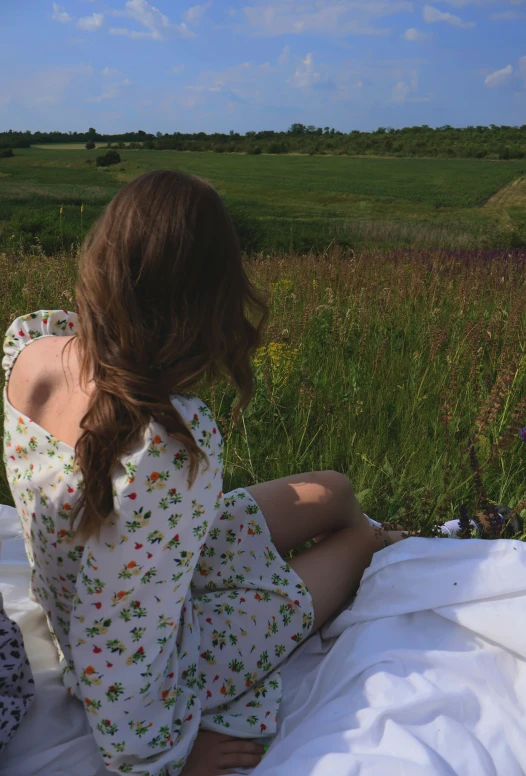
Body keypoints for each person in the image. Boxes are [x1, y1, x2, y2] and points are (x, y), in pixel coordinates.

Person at [2, 170, 404, 776]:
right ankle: (385, 542)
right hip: (146, 648)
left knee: (336, 490)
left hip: (118, 572)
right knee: (357, 537)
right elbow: (119, 653)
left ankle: (380, 537)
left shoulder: (32, 349)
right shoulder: (165, 447)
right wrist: (163, 762)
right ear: (207, 298)